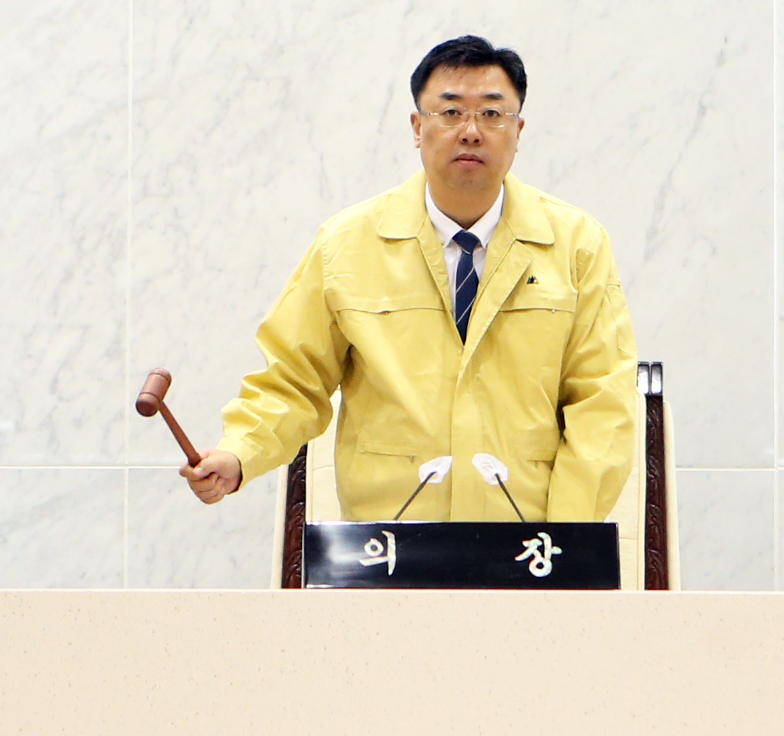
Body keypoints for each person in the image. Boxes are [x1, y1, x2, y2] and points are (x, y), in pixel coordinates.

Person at [184, 35, 637, 526]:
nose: (470, 131)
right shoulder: (349, 243)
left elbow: (602, 402)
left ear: (519, 129)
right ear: (417, 127)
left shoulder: (576, 245)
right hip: (389, 539)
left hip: (526, 538)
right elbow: (294, 379)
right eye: (450, 112)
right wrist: (239, 454)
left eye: (492, 114)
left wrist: (565, 539)